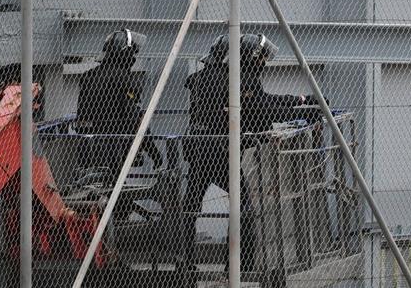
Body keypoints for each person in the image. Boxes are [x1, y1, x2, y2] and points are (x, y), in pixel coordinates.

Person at [180, 33, 324, 271]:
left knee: (191, 204)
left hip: (198, 146)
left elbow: (261, 102)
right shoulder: (237, 79)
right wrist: (304, 111)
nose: (263, 63)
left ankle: (185, 262)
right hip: (219, 151)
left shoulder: (203, 78)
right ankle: (239, 265)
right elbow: (263, 110)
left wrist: (299, 101)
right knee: (243, 205)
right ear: (247, 57)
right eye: (260, 58)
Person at [75, 29, 162, 171]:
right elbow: (133, 118)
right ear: (125, 54)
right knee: (140, 118)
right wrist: (154, 153)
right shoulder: (125, 79)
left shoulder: (88, 76)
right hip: (115, 144)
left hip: (87, 143)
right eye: (133, 53)